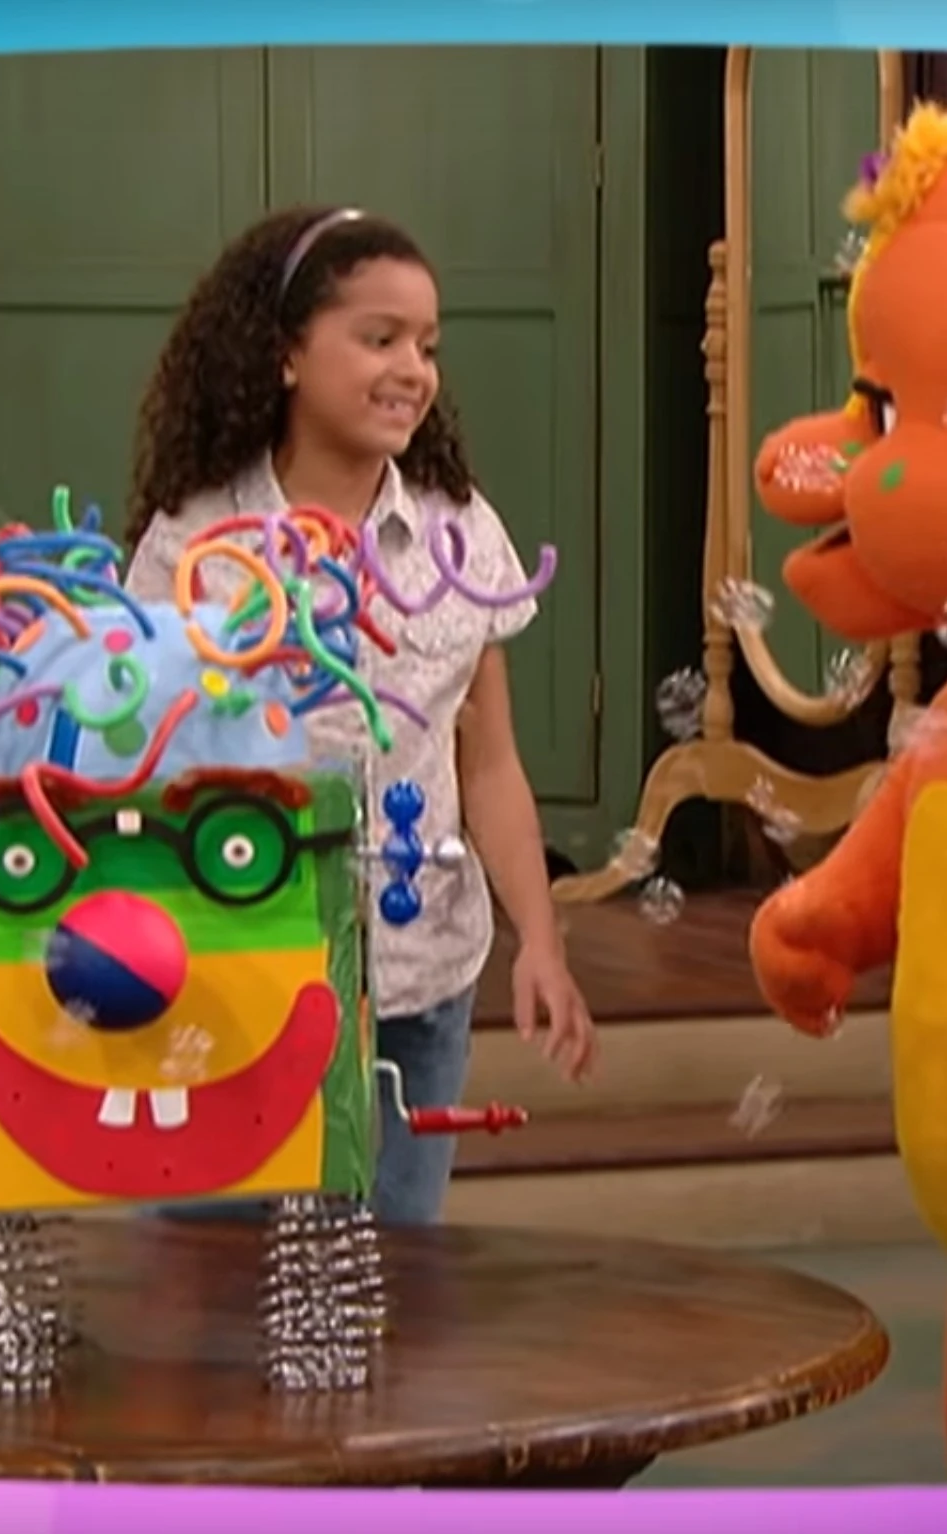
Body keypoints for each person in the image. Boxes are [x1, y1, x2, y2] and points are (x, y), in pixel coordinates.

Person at [121, 205, 598, 1228]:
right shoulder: (196, 539)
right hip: (234, 984)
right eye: (379, 338)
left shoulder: (460, 530)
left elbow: (490, 763)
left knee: (398, 1293)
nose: (412, 371)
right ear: (287, 353)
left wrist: (541, 943)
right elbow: (137, 762)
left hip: (421, 987)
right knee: (209, 1290)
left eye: (427, 346)